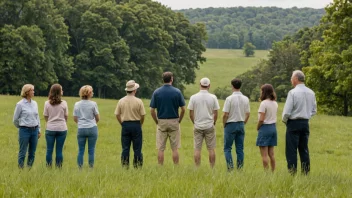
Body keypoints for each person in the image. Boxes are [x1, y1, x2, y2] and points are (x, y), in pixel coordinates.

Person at [282, 70, 317, 175]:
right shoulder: (311, 92)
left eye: (292, 78)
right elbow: (314, 110)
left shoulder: (293, 92)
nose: (291, 80)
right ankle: (305, 172)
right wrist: (306, 116)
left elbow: (287, 111)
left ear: (296, 79)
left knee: (291, 150)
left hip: (293, 122)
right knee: (304, 149)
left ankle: (292, 172)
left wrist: (285, 120)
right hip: (305, 122)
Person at [150, 72, 186, 165]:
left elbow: (152, 110)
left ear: (163, 79)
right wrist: (179, 120)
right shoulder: (177, 92)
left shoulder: (157, 92)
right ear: (172, 79)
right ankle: (176, 167)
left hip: (161, 120)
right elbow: (183, 109)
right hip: (174, 120)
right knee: (174, 148)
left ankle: (160, 167)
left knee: (161, 148)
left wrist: (156, 121)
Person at [187, 77, 220, 168]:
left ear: (200, 85)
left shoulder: (193, 97)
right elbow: (216, 113)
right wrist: (214, 122)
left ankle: (197, 168)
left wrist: (195, 122)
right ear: (209, 86)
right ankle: (212, 168)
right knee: (211, 148)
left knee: (197, 149)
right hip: (209, 125)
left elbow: (190, 113)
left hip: (198, 125)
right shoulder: (213, 97)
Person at [115, 80, 146, 169]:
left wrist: (122, 123)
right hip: (136, 124)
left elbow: (117, 114)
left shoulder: (121, 101)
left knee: (125, 147)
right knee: (137, 148)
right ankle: (137, 166)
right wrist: (140, 123)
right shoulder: (139, 101)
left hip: (125, 125)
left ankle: (125, 165)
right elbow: (143, 115)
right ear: (134, 90)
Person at [222, 78, 250, 171]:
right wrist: (244, 122)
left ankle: (230, 168)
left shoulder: (229, 99)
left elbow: (225, 114)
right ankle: (240, 169)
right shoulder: (245, 98)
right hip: (241, 123)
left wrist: (224, 123)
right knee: (239, 149)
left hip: (231, 124)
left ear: (232, 86)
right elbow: (248, 113)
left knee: (227, 148)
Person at [13, 84, 41, 168]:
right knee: (23, 152)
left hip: (35, 130)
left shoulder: (35, 103)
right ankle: (21, 169)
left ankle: (29, 169)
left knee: (32, 152)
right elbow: (15, 119)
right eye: (32, 90)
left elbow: (37, 117)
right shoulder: (20, 104)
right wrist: (21, 126)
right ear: (27, 92)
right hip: (24, 130)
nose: (33, 92)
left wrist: (39, 130)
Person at [73, 85, 100, 168]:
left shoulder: (77, 104)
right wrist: (92, 122)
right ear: (89, 93)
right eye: (92, 92)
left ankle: (80, 168)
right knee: (91, 150)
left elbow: (75, 118)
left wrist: (80, 123)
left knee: (81, 150)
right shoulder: (93, 104)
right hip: (92, 128)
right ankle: (91, 167)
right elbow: (97, 118)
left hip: (81, 128)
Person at [44, 84, 68, 168]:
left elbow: (45, 116)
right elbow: (66, 116)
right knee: (59, 151)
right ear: (58, 92)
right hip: (62, 128)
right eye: (61, 90)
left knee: (49, 150)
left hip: (50, 128)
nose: (62, 91)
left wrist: (49, 122)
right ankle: (59, 168)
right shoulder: (64, 103)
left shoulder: (47, 103)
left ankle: (49, 167)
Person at [256, 84, 278, 172]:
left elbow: (261, 119)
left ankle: (266, 173)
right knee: (271, 154)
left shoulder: (263, 103)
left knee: (264, 155)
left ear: (264, 92)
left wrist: (258, 127)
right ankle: (273, 171)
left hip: (265, 128)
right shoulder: (275, 103)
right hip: (273, 127)